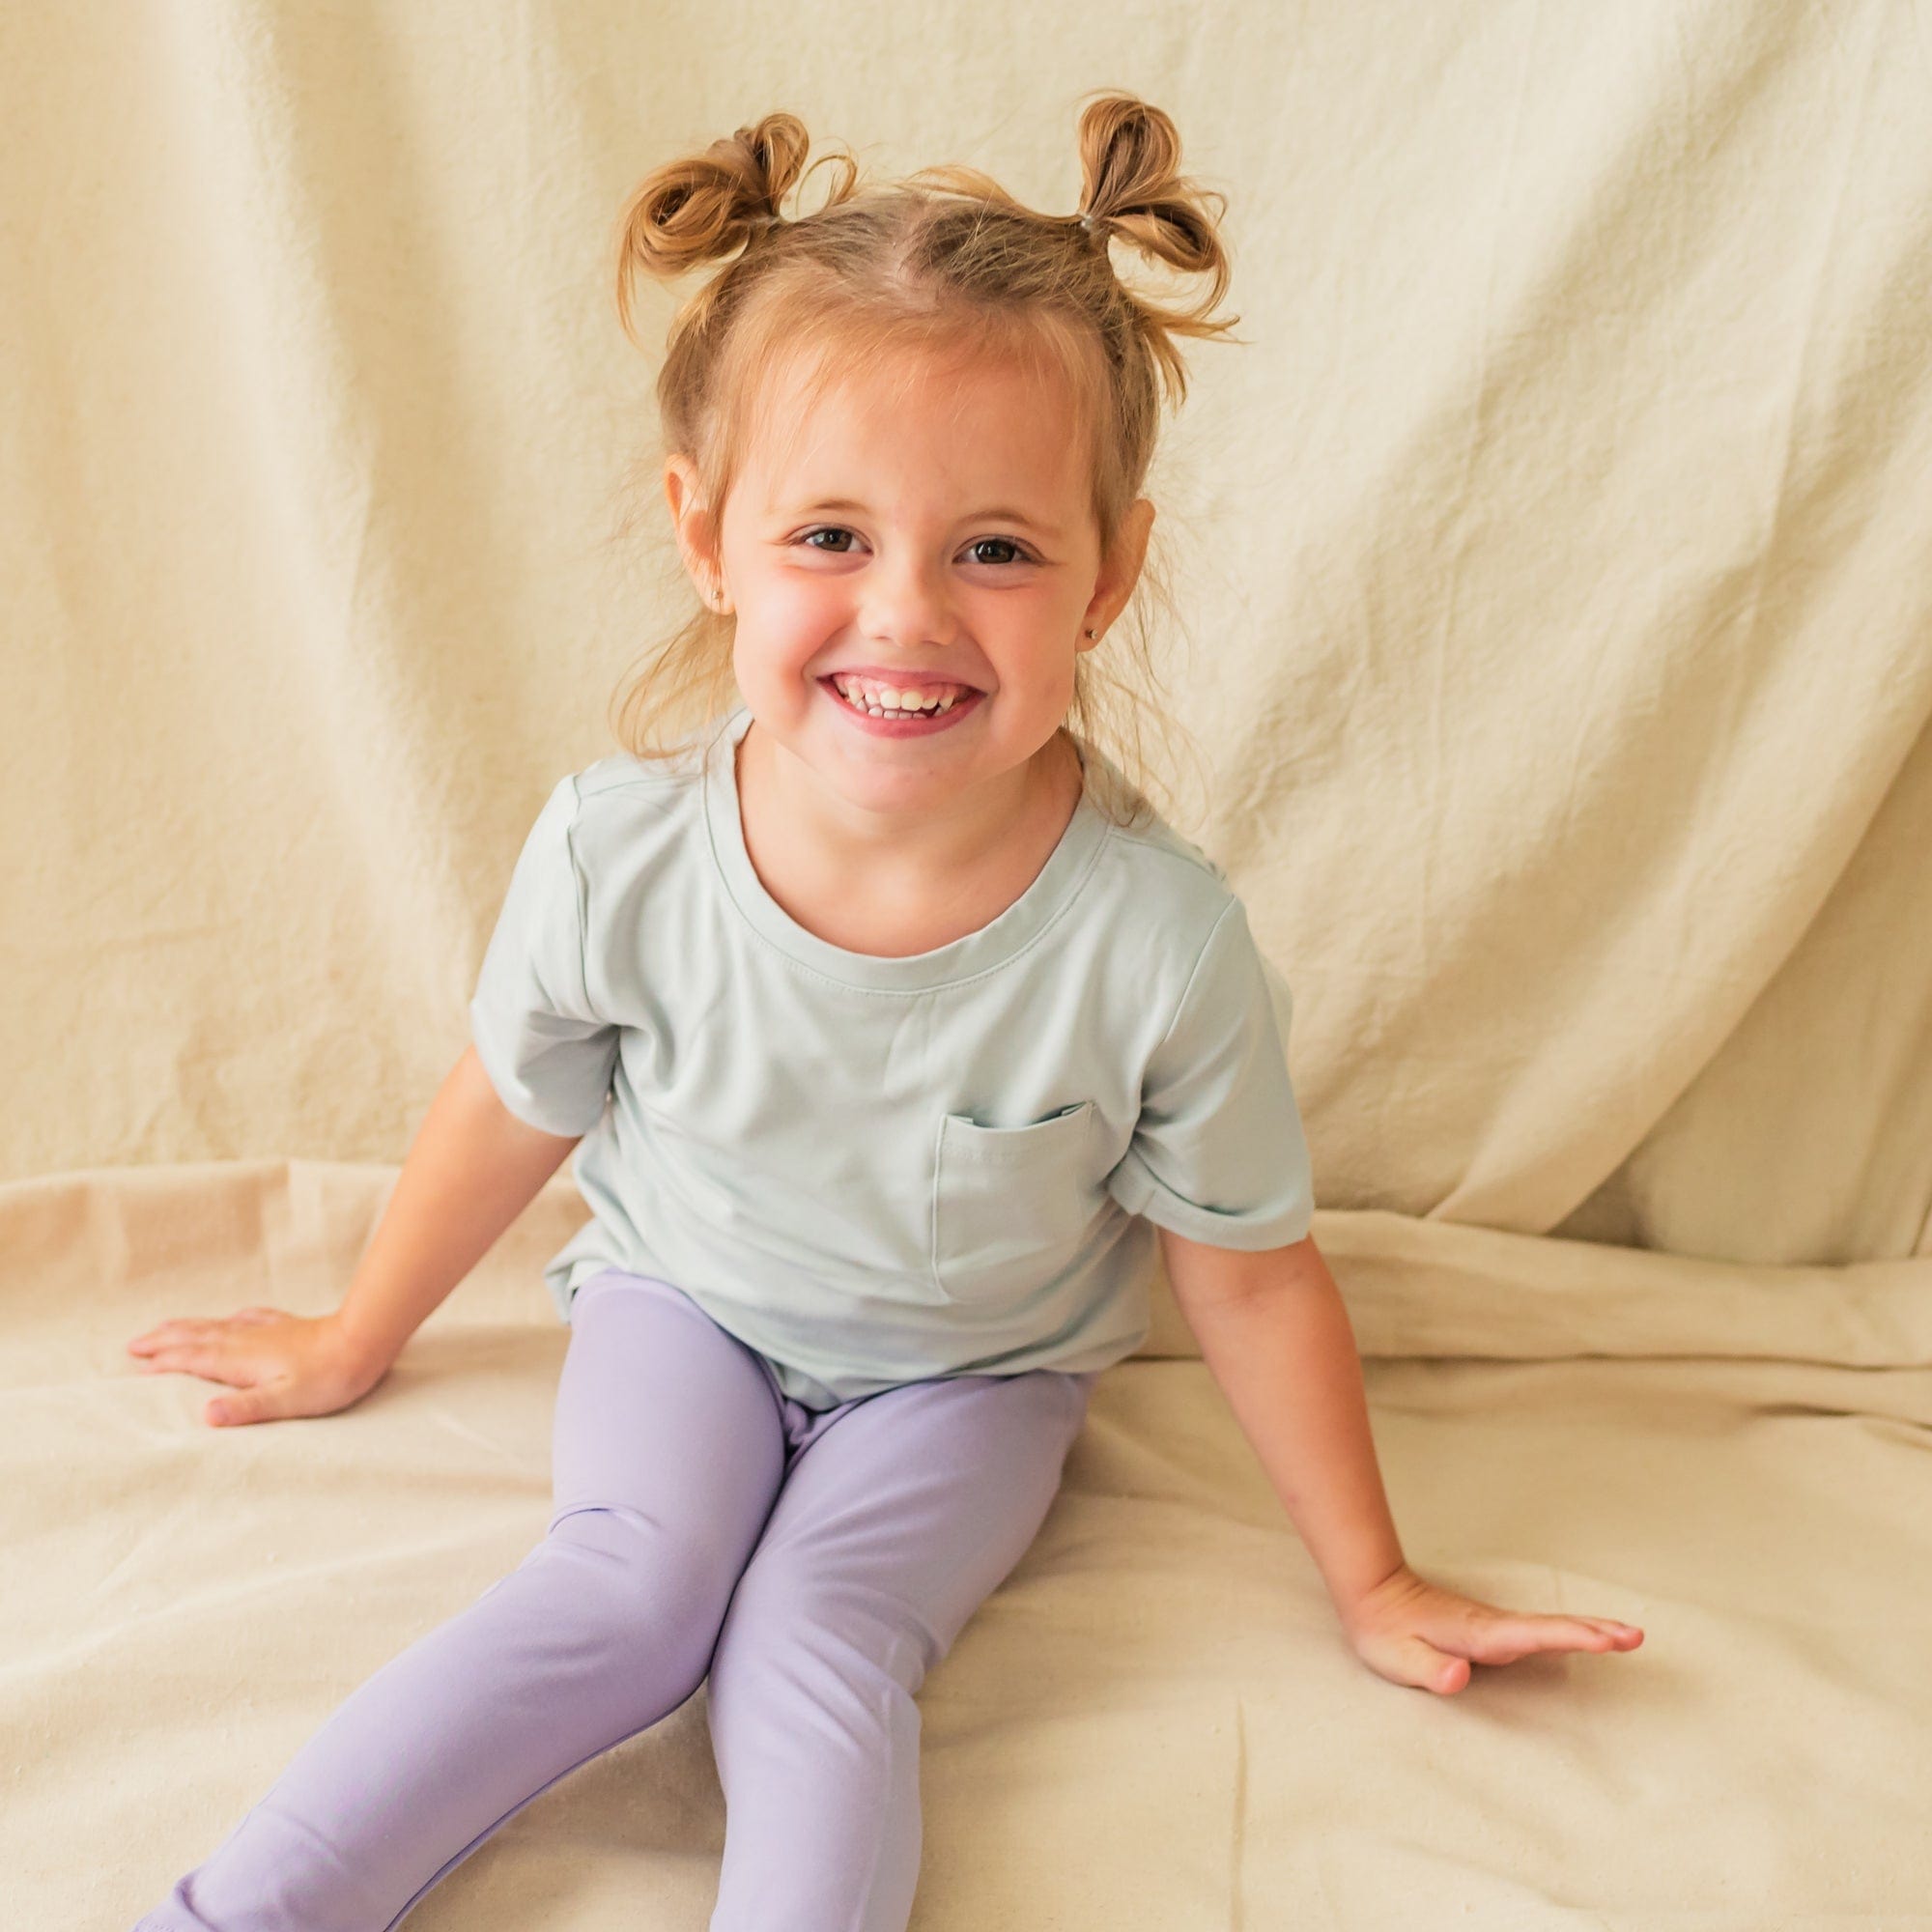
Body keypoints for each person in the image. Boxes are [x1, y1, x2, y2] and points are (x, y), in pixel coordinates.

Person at [125, 90, 1642, 1932]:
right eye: (831, 536)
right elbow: (514, 1101)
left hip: (970, 1385)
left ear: (1111, 574)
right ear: (706, 538)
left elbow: (1247, 1274)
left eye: (995, 550)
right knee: (627, 1593)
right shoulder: (617, 855)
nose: (907, 615)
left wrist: (1375, 1577)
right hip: (686, 1311)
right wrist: (355, 1334)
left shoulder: (1158, 945)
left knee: (815, 1635)